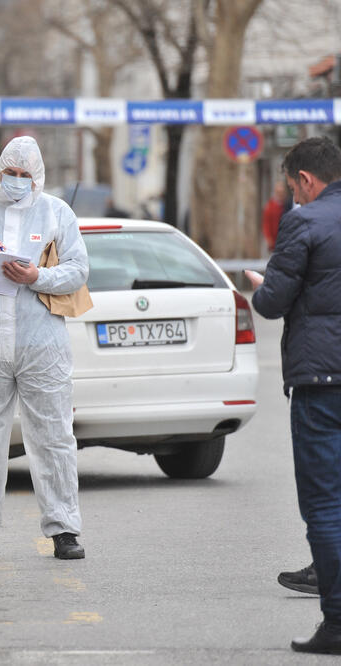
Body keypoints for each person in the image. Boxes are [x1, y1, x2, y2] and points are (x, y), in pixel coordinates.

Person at [0, 136, 89, 563]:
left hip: (42, 345)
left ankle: (64, 529)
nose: (18, 181)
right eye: (12, 173)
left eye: (26, 175)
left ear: (38, 177)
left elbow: (78, 271)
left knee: (53, 437)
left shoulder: (57, 213)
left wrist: (36, 277)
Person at [245, 136, 341, 654]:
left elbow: (273, 302)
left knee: (326, 505)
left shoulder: (304, 222)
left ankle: (338, 624)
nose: (294, 198)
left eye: (292, 188)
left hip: (321, 383)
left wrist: (263, 285)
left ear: (304, 179)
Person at [261, 180, 292, 252]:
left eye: (282, 192)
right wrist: (269, 238)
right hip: (275, 239)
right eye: (279, 192)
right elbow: (266, 223)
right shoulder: (270, 206)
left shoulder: (288, 205)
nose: (281, 195)